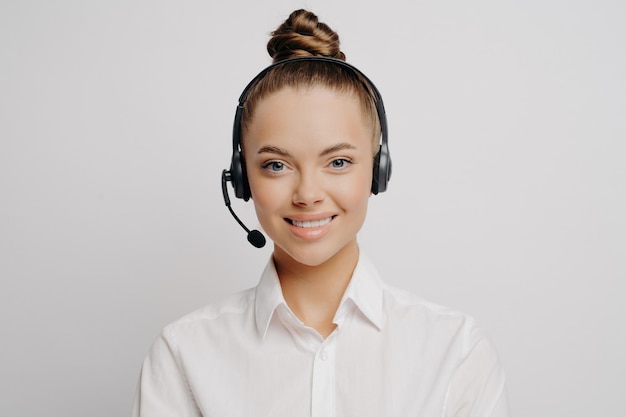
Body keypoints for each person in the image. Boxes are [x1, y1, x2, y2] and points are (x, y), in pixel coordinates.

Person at [132, 9, 508, 417]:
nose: (308, 194)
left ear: (378, 170)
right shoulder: (183, 356)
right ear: (241, 179)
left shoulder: (456, 352)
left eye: (339, 162)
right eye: (276, 165)